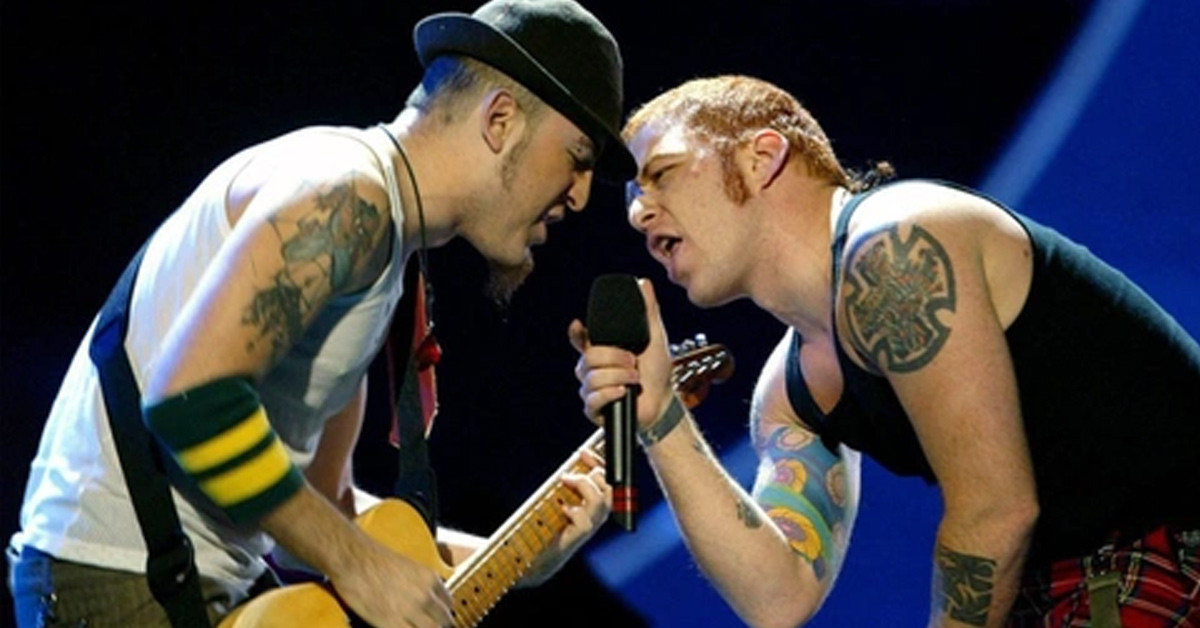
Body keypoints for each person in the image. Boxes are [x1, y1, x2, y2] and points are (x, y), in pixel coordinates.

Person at [7, 1, 638, 627]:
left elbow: (317, 514)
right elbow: (191, 400)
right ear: (499, 120)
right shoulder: (345, 196)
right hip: (120, 587)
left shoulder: (380, 244)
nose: (581, 196)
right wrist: (359, 565)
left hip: (176, 586)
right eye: (578, 157)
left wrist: (521, 557)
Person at [571, 74, 1200, 627]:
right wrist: (660, 417)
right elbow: (778, 598)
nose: (637, 213)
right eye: (632, 196)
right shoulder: (791, 389)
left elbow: (996, 513)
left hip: (1166, 555)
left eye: (661, 174)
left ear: (763, 157)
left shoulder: (896, 243)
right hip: (1067, 588)